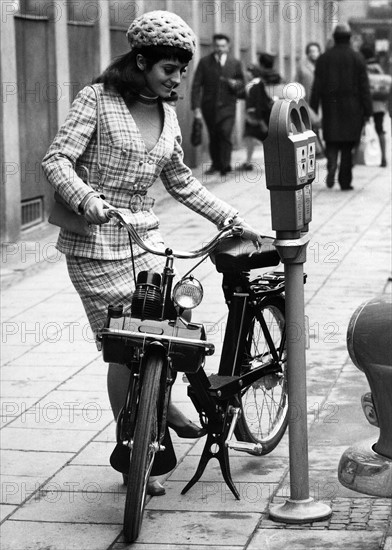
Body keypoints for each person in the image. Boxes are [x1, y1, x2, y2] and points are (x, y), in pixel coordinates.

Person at [42, 11, 257, 496]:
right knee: (123, 347)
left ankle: (162, 411)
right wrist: (86, 198)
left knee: (163, 336)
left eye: (182, 70)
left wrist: (228, 216)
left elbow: (179, 179)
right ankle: (135, 453)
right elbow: (56, 158)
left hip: (145, 242)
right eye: (168, 70)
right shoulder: (96, 100)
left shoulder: (168, 113)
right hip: (94, 245)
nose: (176, 79)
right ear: (140, 61)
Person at [310, 24, 372, 190]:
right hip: (353, 108)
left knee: (331, 140)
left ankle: (331, 165)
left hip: (331, 107)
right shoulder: (357, 57)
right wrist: (368, 110)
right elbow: (364, 86)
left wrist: (313, 109)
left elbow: (316, 86)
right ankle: (345, 181)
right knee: (347, 146)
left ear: (335, 37)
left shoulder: (324, 58)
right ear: (349, 38)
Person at [191, 33, 245, 176]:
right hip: (209, 107)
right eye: (217, 46)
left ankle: (225, 165)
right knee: (213, 136)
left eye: (223, 46)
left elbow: (242, 83)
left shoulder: (235, 63)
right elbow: (196, 85)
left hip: (228, 106)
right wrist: (196, 107)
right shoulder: (204, 62)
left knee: (225, 134)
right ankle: (215, 164)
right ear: (213, 47)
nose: (220, 49)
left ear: (228, 47)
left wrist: (235, 84)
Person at [240, 53, 281, 170]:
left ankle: (252, 162)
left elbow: (259, 102)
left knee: (262, 138)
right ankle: (250, 162)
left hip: (260, 117)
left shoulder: (259, 83)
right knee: (263, 139)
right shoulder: (276, 77)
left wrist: (260, 121)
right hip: (271, 114)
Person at [360, 44, 390, 168]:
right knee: (380, 129)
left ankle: (355, 156)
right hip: (379, 103)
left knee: (360, 129)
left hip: (365, 102)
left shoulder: (363, 67)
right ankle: (383, 158)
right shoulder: (378, 67)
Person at [295, 42, 324, 157]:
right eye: (311, 51)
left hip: (320, 98)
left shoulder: (323, 64)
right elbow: (296, 81)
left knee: (319, 123)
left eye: (315, 51)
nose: (313, 53)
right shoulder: (302, 65)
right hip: (307, 98)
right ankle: (316, 149)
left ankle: (319, 147)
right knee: (310, 123)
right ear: (307, 53)